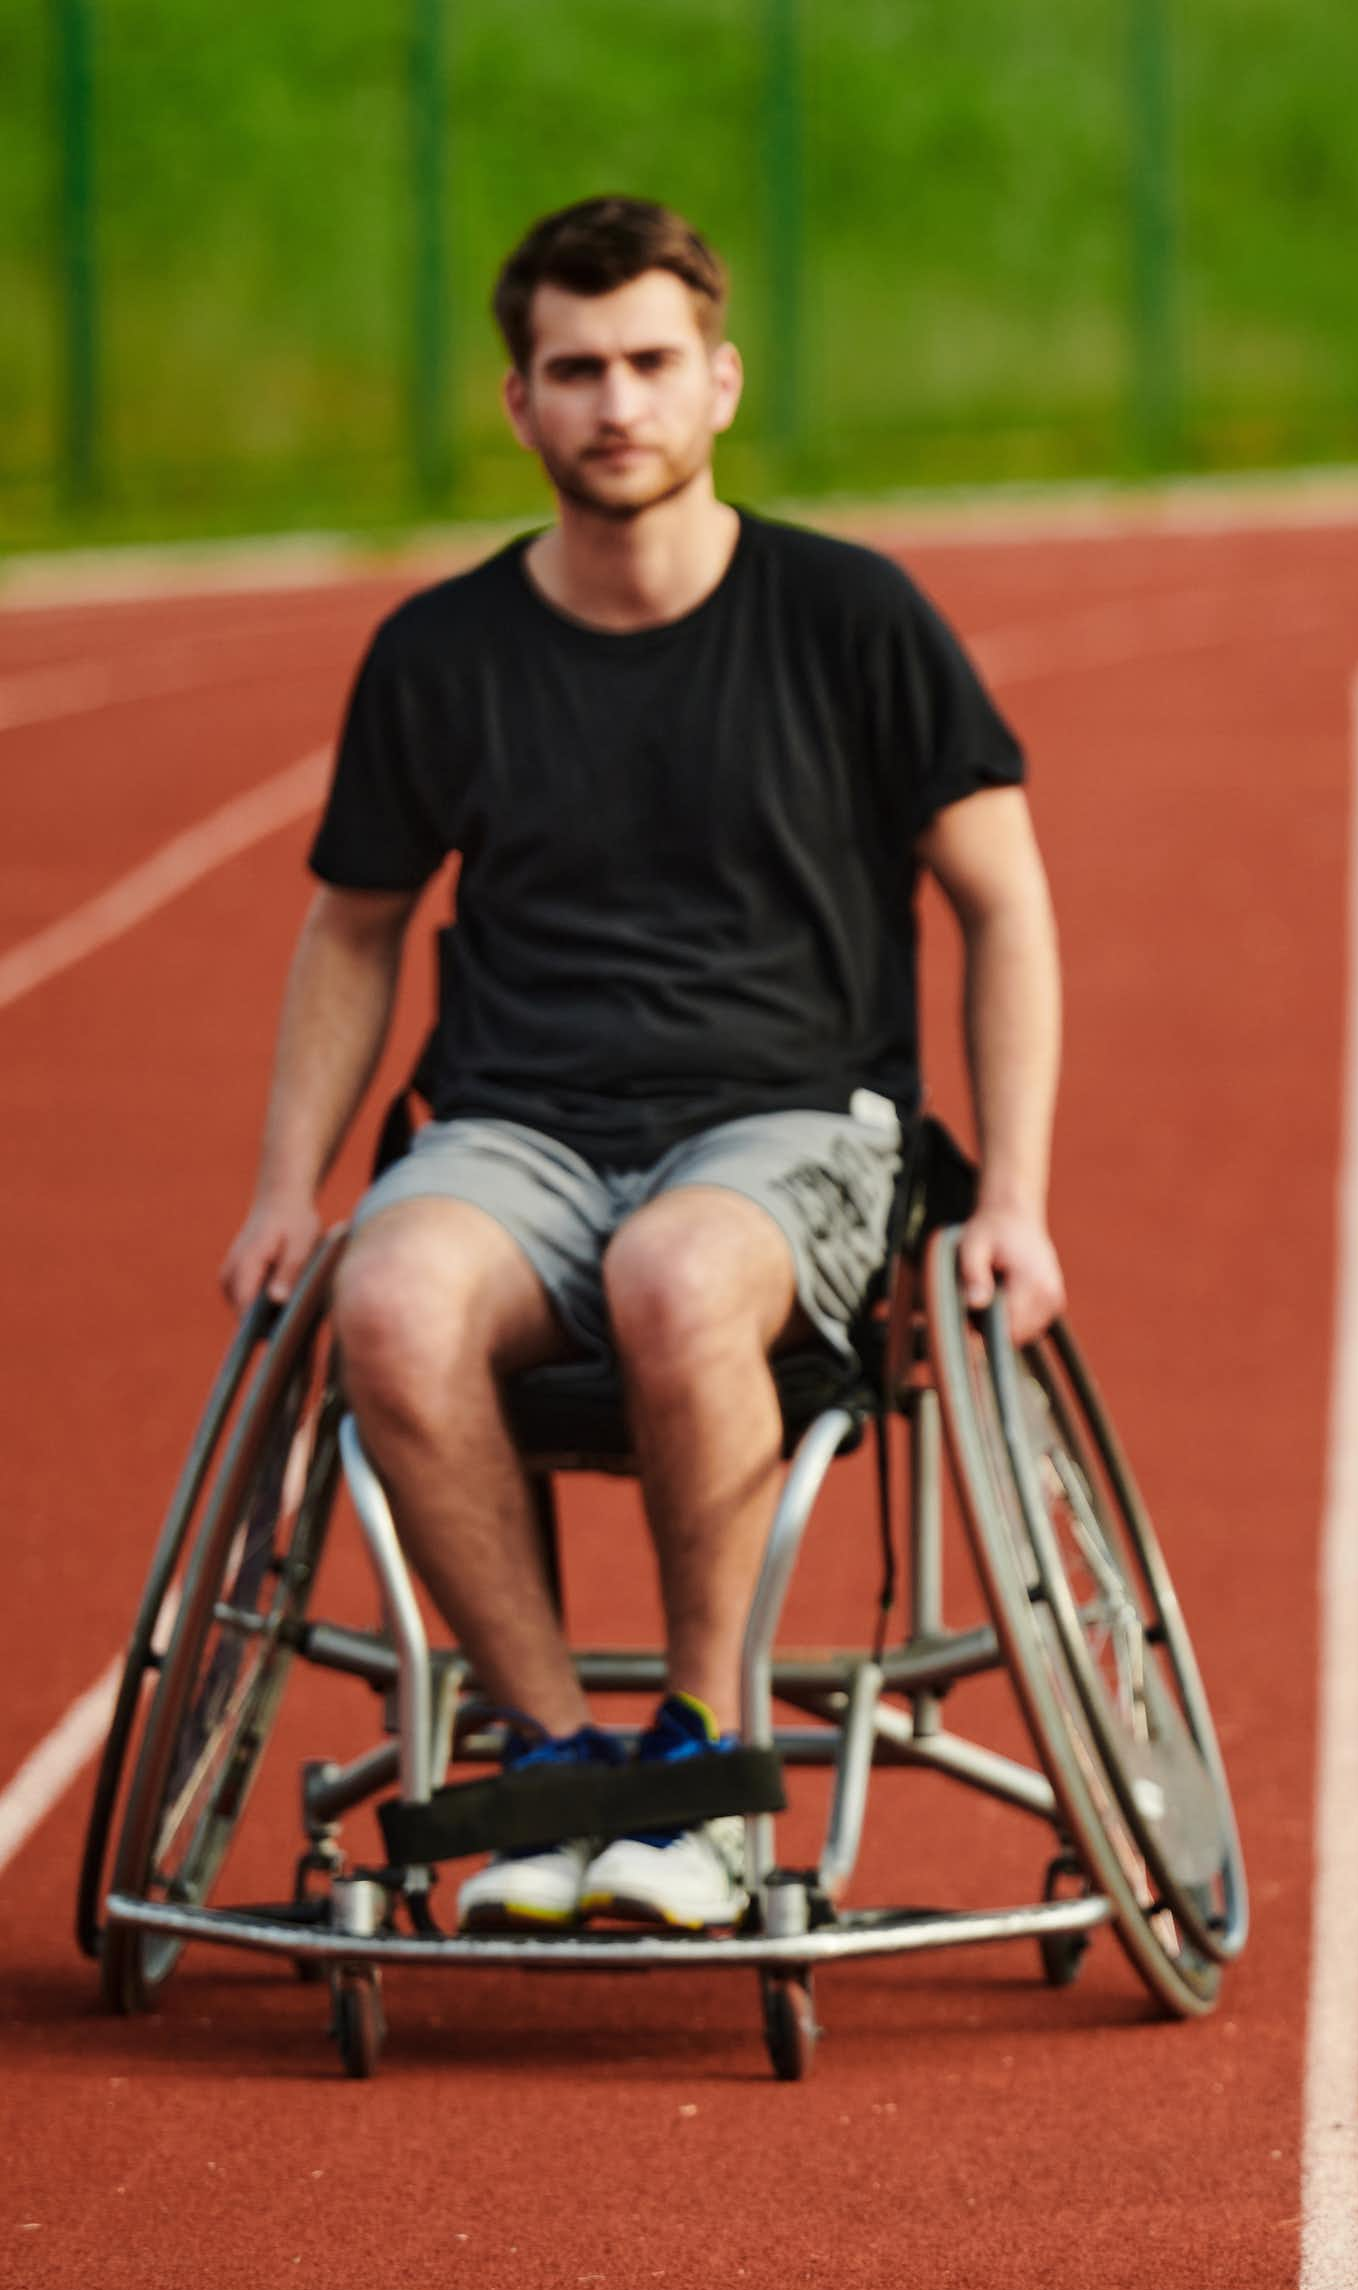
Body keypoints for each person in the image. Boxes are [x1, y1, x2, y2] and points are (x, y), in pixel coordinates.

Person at [218, 196, 1066, 1934]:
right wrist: (283, 1193)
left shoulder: (852, 618)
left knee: (676, 1277)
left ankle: (698, 1769)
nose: (619, 404)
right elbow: (354, 931)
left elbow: (1007, 907)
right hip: (521, 1129)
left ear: (722, 383)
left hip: (790, 1128)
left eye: (652, 365)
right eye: (577, 370)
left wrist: (1024, 1201)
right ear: (519, 404)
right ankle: (549, 1762)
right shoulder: (440, 655)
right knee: (388, 1298)